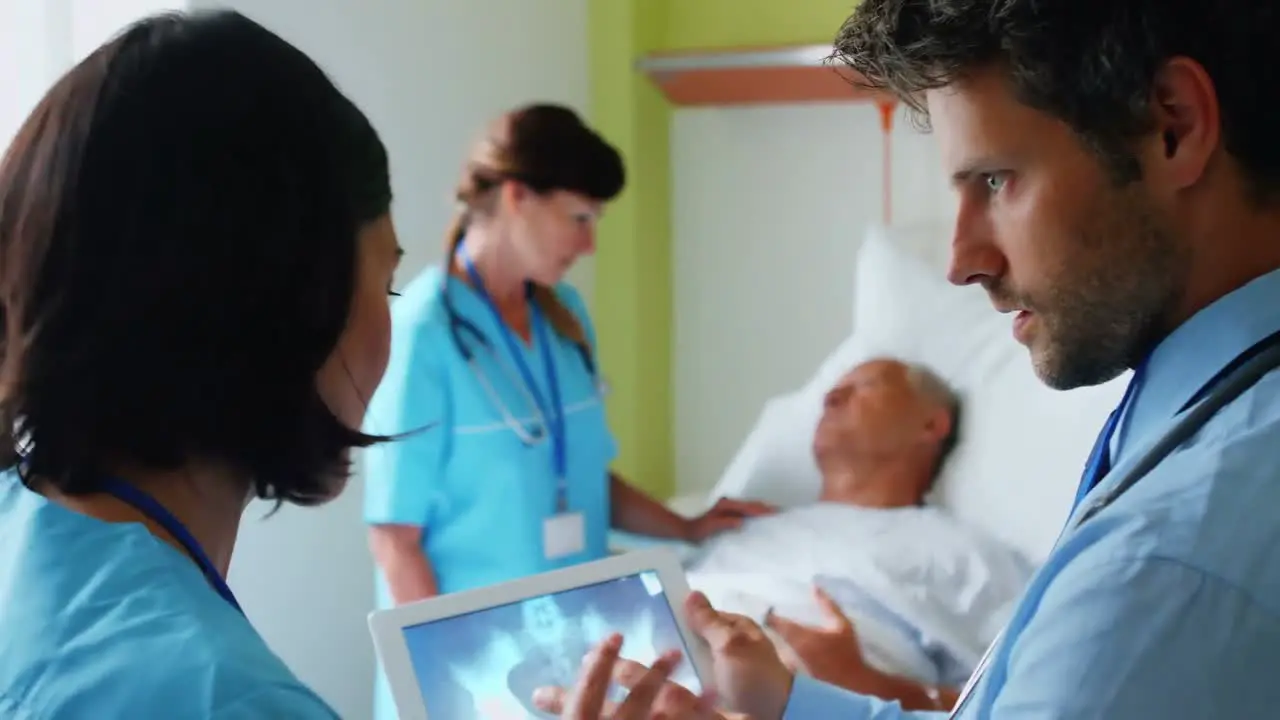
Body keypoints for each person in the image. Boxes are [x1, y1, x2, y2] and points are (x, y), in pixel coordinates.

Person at [541, 0, 1280, 717]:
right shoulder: (1205, 421)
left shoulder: (1159, 570)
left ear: (1171, 127)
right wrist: (794, 707)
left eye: (995, 180)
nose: (961, 261)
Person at [0, 10, 688, 720]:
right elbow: (396, 540)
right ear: (289, 301)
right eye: (385, 282)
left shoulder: (26, 536)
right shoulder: (224, 699)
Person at [360, 103, 772, 719]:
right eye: (579, 218)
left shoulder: (566, 316)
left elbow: (582, 479)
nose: (589, 241)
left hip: (572, 656)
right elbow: (395, 541)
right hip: (469, 673)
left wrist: (685, 527)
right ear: (518, 196)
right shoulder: (424, 334)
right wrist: (440, 684)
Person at [685, 359, 1031, 710]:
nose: (831, 396)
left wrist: (860, 681)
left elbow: (1020, 699)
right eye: (834, 388)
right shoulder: (746, 527)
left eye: (867, 384)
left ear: (932, 424)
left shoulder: (962, 552)